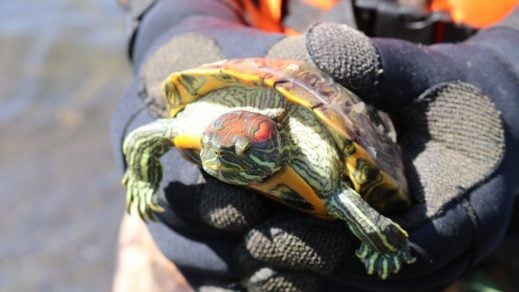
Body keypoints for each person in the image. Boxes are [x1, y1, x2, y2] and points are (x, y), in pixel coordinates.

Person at [111, 0, 519, 291]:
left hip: (476, 142)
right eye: (221, 149)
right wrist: (169, 17)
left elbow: (345, 197)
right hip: (244, 62)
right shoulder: (205, 127)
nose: (229, 153)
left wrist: (507, 67)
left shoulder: (310, 156)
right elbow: (151, 136)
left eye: (246, 151)